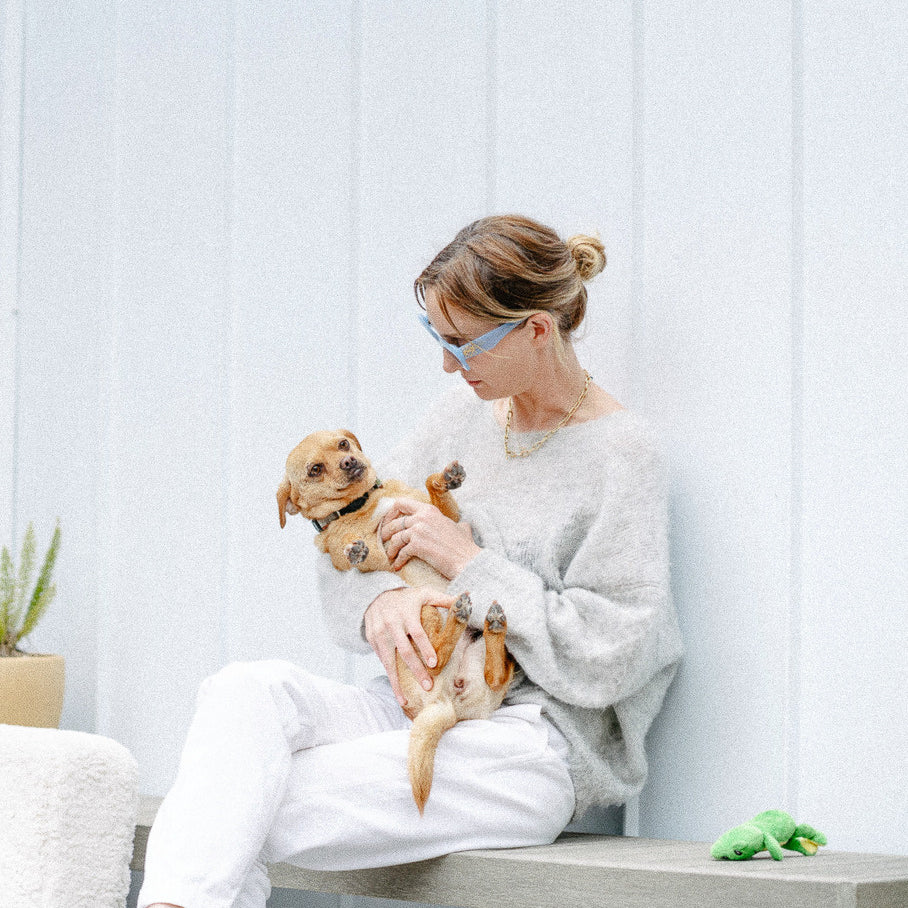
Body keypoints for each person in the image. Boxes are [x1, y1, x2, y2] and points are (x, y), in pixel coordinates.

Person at [140, 215, 682, 908]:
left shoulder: (623, 456)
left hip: (532, 745)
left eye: (463, 343)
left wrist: (467, 563)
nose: (449, 365)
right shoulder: (459, 417)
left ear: (538, 330)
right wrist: (380, 602)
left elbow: (614, 655)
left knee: (237, 803)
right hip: (412, 700)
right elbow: (346, 529)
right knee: (244, 693)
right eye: (437, 337)